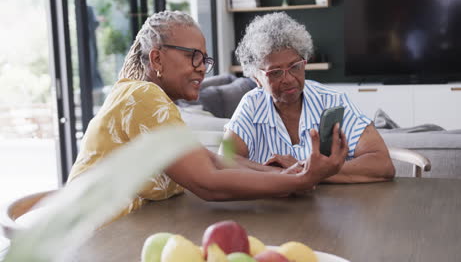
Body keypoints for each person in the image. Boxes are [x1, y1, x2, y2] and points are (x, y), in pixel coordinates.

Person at [68, 11, 348, 220]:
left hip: (124, 234)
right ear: (156, 60)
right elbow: (208, 181)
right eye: (193, 56)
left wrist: (291, 174)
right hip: (98, 243)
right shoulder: (142, 97)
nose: (203, 68)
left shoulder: (149, 102)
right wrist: (300, 180)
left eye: (204, 58)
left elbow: (213, 159)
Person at [223, 12, 395, 183]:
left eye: (295, 66)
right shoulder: (251, 105)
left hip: (335, 207)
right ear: (256, 78)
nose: (289, 79)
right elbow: (224, 162)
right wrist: (282, 173)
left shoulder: (332, 101)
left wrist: (307, 170)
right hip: (273, 207)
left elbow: (383, 164)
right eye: (275, 73)